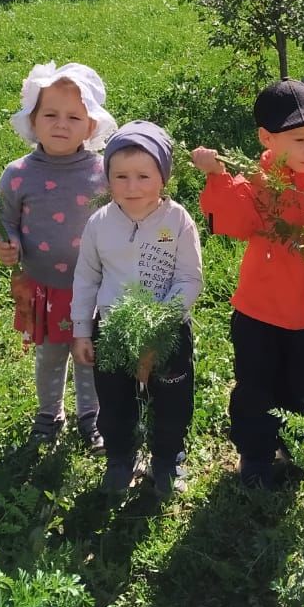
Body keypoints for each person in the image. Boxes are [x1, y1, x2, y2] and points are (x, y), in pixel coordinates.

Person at [191, 79, 304, 489]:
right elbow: (231, 222)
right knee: (255, 386)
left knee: (300, 382)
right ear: (267, 138)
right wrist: (217, 176)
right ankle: (256, 455)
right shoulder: (256, 183)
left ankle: (300, 442)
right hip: (260, 312)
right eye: (300, 138)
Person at [71, 121, 203, 497]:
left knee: (172, 400)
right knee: (113, 400)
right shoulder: (99, 224)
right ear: (107, 177)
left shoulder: (177, 221)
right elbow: (86, 278)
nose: (132, 187)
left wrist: (160, 321)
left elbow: (190, 278)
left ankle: (167, 458)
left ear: (163, 177)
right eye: (121, 176)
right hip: (113, 329)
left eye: (144, 176)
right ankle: (120, 456)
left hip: (168, 330)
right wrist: (82, 328)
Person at [0, 62, 116, 453]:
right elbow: (4, 219)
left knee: (88, 353)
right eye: (51, 114)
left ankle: (91, 414)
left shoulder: (105, 173)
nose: (61, 124)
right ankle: (49, 413)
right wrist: (5, 241)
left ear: (91, 126)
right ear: (33, 119)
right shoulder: (18, 174)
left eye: (74, 117)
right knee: (49, 355)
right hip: (44, 286)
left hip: (91, 287)